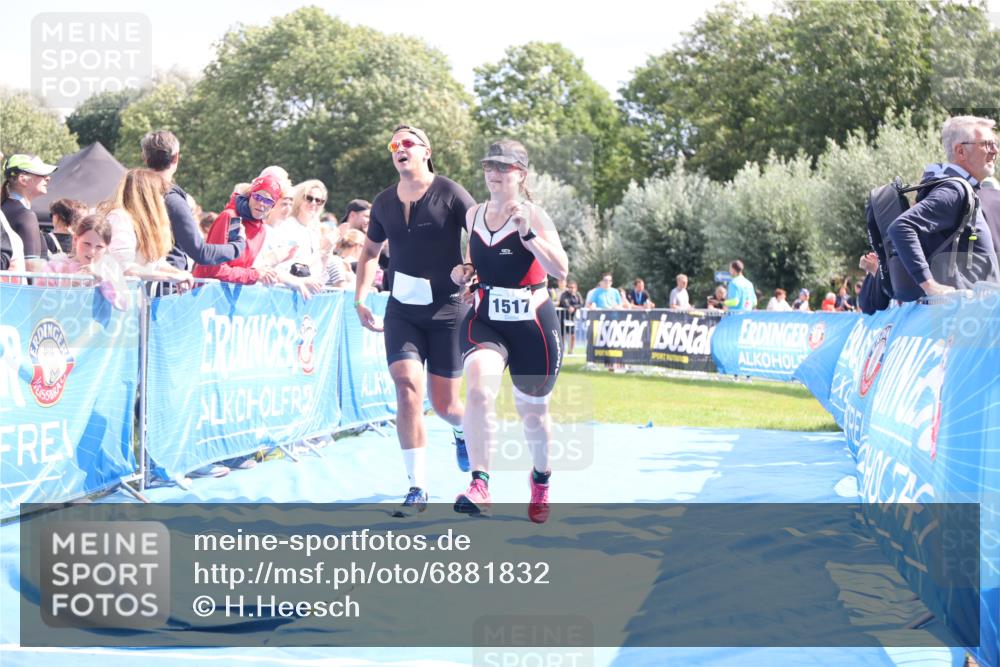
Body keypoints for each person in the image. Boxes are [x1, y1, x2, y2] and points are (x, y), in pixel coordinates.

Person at [353, 124, 474, 516]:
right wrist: (360, 298)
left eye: (408, 143)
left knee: (446, 404)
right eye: (394, 144)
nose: (399, 148)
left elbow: (481, 234)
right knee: (406, 386)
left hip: (447, 311)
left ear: (426, 151)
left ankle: (460, 429)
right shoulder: (384, 201)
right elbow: (370, 251)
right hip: (402, 311)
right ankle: (417, 486)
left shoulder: (451, 193)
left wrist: (471, 266)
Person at [449, 139, 568, 523]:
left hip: (533, 323)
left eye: (504, 168)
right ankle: (480, 484)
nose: (495, 174)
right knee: (480, 391)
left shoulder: (535, 215)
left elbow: (560, 271)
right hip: (486, 319)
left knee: (533, 415)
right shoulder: (474, 216)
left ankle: (541, 479)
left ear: (521, 174)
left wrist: (528, 235)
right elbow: (476, 259)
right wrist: (466, 272)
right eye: (489, 166)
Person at [887, 115, 1000, 297]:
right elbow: (901, 227)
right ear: (961, 151)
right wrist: (930, 286)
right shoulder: (955, 190)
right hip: (969, 313)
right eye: (987, 144)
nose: (995, 151)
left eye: (995, 143)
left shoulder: (954, 187)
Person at [194, 175, 324, 299]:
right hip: (203, 295)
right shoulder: (231, 218)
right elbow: (215, 269)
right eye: (257, 197)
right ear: (250, 195)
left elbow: (247, 268)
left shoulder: (261, 229)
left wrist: (269, 275)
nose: (261, 204)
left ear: (273, 206)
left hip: (229, 299)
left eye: (268, 201)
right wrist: (255, 274)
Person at [140, 130, 245, 271]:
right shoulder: (172, 201)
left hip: (138, 282)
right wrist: (238, 245)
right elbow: (200, 252)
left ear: (145, 158)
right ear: (176, 158)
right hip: (167, 284)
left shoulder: (131, 194)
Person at [100, 168, 194, 285]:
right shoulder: (120, 218)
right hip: (112, 298)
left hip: (132, 297)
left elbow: (157, 264)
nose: (163, 199)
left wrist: (180, 274)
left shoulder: (140, 224)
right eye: (161, 193)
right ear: (150, 197)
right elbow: (127, 269)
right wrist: (172, 276)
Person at [1, 154, 58, 272]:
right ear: (22, 179)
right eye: (41, 174)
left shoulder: (4, 207)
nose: (48, 178)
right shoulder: (25, 216)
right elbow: (32, 272)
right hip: (21, 290)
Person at [558, 279, 584, 355]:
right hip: (562, 317)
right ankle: (562, 350)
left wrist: (574, 307)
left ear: (576, 288)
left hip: (572, 319)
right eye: (570, 287)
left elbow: (581, 304)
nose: (571, 289)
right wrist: (569, 307)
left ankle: (571, 350)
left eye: (573, 287)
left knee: (572, 335)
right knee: (562, 335)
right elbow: (564, 301)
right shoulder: (564, 294)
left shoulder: (577, 295)